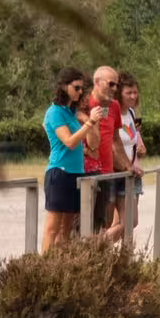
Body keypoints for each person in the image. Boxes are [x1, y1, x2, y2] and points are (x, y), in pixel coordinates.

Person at [41, 67, 100, 250]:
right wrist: (89, 122)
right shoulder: (55, 112)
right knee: (53, 228)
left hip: (76, 174)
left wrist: (91, 121)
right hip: (59, 172)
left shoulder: (70, 112)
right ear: (64, 86)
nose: (80, 92)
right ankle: (42, 269)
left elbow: (93, 143)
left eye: (82, 88)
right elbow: (69, 142)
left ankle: (61, 267)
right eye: (76, 87)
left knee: (67, 229)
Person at [83, 65, 124, 242]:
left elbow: (116, 139)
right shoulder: (83, 104)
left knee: (102, 226)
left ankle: (95, 266)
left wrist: (129, 165)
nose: (115, 89)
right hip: (84, 174)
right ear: (96, 82)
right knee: (79, 225)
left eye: (117, 85)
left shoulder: (114, 106)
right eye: (111, 84)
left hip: (107, 174)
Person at [116, 72, 146, 241]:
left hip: (133, 172)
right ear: (119, 93)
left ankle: (124, 261)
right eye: (129, 93)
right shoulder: (113, 114)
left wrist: (140, 147)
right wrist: (127, 165)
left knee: (131, 222)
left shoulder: (131, 114)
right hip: (119, 172)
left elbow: (133, 139)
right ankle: (94, 249)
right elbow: (114, 143)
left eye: (135, 92)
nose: (133, 96)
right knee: (125, 222)